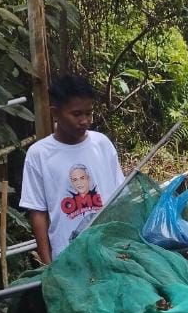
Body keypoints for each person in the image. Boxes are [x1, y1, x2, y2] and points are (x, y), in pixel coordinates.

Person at [19, 74, 124, 264]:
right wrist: (48, 265)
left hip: (110, 251)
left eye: (89, 113)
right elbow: (38, 213)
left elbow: (120, 197)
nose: (84, 120)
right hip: (69, 260)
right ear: (55, 113)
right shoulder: (39, 154)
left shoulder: (102, 144)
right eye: (76, 114)